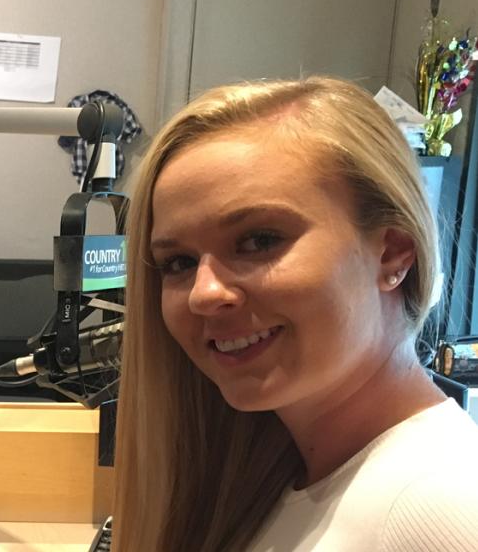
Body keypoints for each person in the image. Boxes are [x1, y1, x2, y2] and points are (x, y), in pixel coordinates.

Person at [113, 77, 478, 551]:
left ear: (393, 255)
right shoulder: (276, 478)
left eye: (259, 240)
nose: (204, 294)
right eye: (178, 263)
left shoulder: (445, 506)